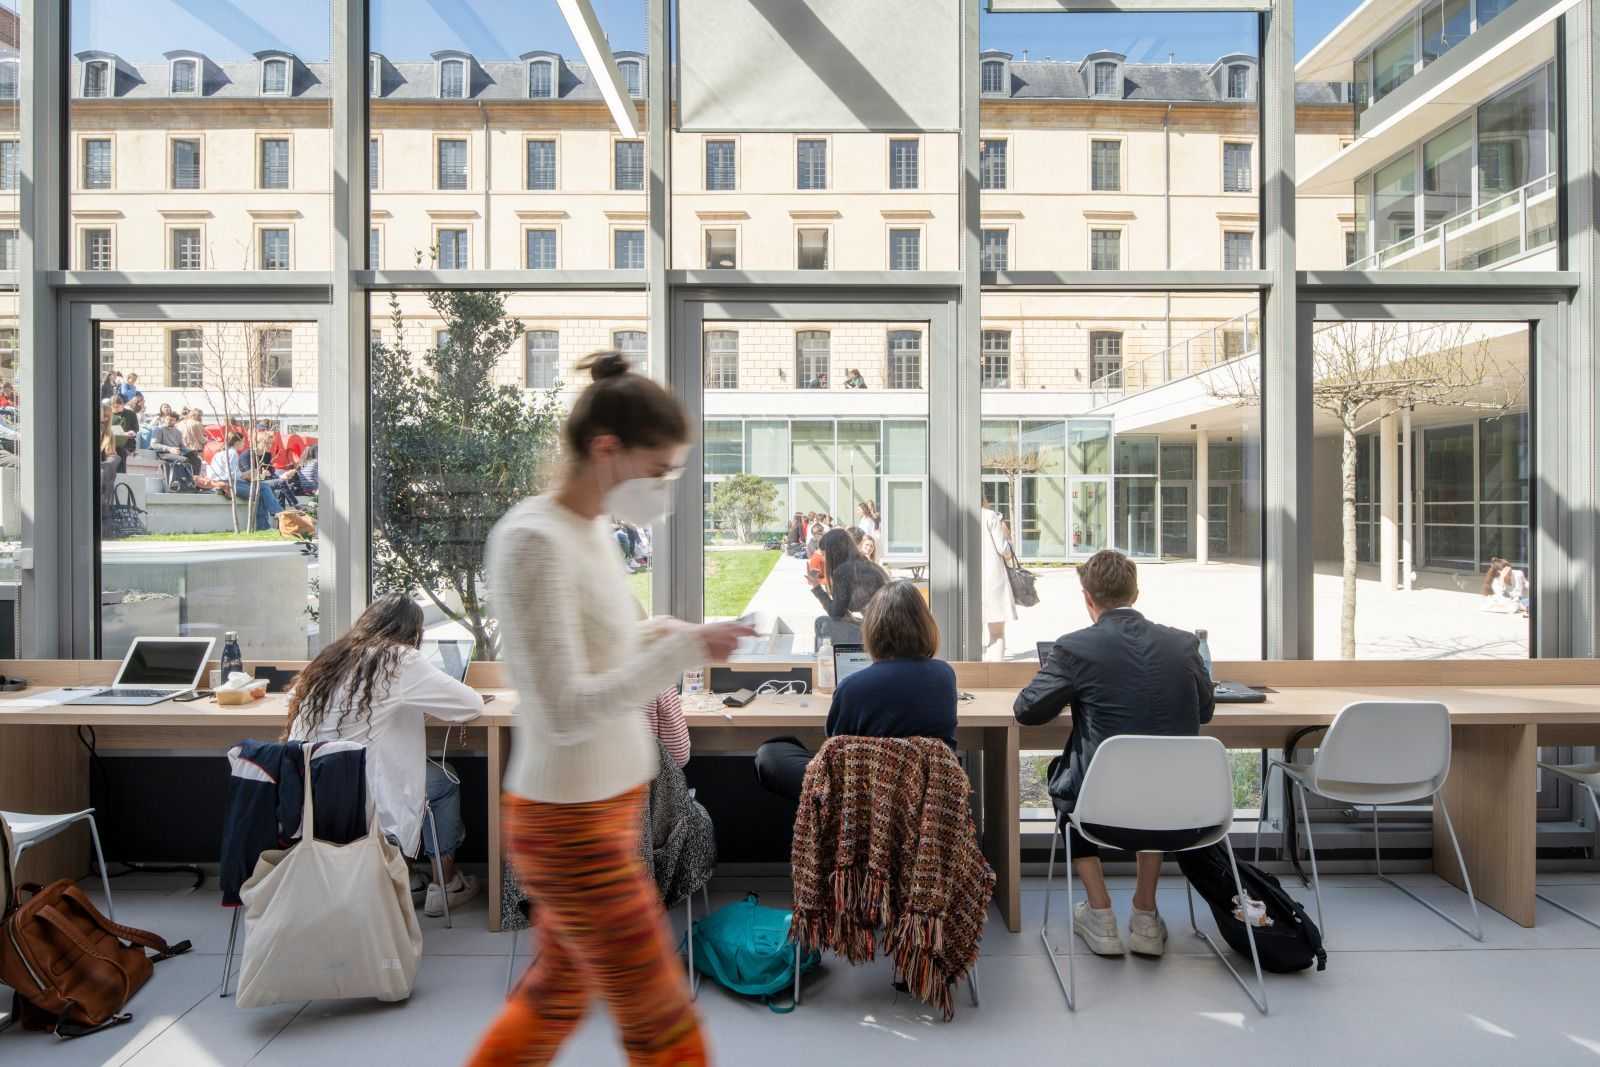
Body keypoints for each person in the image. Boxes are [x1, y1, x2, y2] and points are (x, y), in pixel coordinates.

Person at [468, 350, 751, 1067]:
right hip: (569, 821)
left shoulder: (592, 532)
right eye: (657, 471)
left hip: (604, 805)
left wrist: (684, 634)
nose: (664, 489)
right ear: (607, 450)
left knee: (555, 998)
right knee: (663, 1024)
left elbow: (613, 645)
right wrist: (681, 653)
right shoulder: (534, 541)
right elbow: (566, 706)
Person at [1013, 549, 1214, 960]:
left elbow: (1027, 711)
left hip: (1099, 816)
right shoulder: (1182, 645)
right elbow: (1205, 710)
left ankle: (1100, 913)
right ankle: (1145, 913)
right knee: (1154, 782)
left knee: (1066, 776)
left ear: (1087, 597)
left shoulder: (1074, 649)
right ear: (1135, 593)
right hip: (1180, 812)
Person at [285, 594, 487, 917]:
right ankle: (444, 884)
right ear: (413, 634)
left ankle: (402, 872)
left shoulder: (332, 658)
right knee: (445, 780)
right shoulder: (400, 659)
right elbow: (472, 705)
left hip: (312, 800)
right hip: (365, 800)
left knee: (403, 776)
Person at [755, 581, 956, 804]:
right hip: (924, 794)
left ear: (874, 630)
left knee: (771, 754)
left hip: (860, 798)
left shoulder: (853, 687)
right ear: (926, 626)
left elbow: (835, 754)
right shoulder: (945, 677)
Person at [808, 527, 887, 624]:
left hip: (882, 630)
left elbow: (836, 613)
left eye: (825, 554)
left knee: (821, 623)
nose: (824, 559)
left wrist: (816, 587)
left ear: (833, 553)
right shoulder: (864, 562)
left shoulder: (843, 572)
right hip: (889, 624)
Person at [207, 432, 284, 531]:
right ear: (237, 442)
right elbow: (232, 475)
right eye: (243, 442)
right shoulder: (233, 453)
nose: (244, 444)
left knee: (261, 490)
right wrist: (248, 474)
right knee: (263, 488)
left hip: (222, 482)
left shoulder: (220, 453)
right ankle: (278, 513)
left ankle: (266, 524)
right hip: (229, 483)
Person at [981, 502, 1016, 661]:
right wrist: (1008, 537)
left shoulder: (960, 514)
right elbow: (1004, 549)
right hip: (992, 580)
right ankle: (995, 675)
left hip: (970, 580)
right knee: (997, 634)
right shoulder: (990, 516)